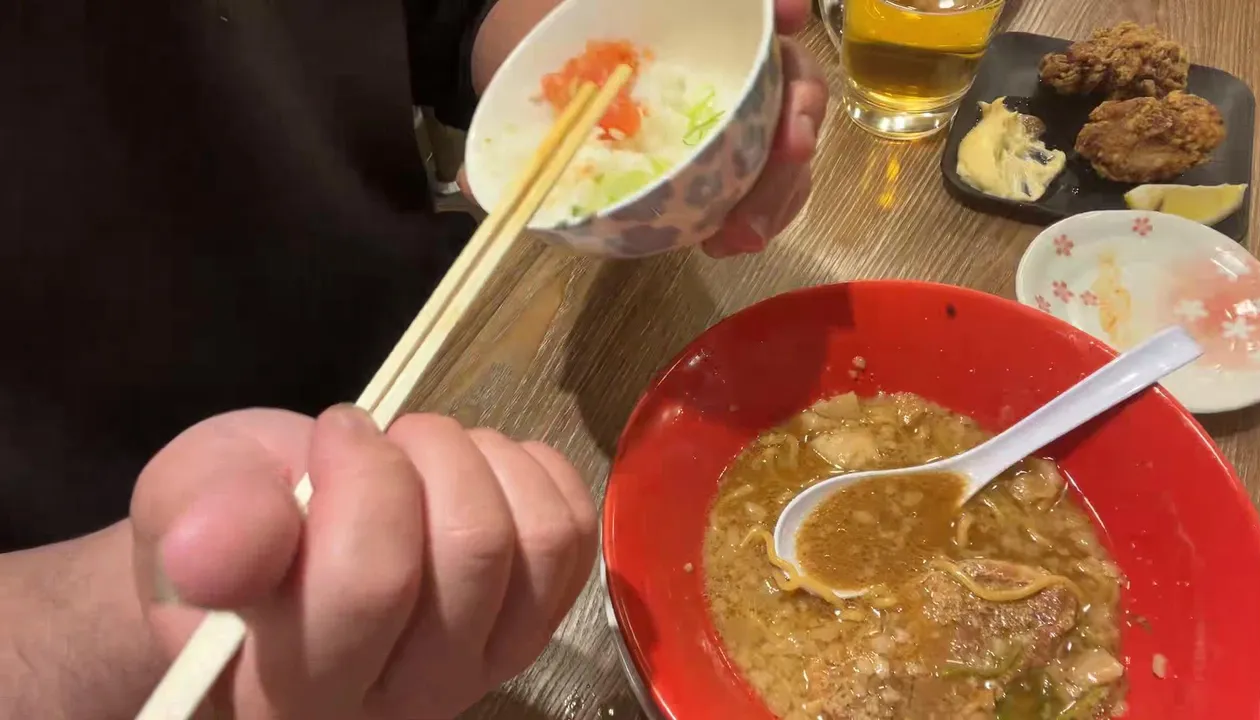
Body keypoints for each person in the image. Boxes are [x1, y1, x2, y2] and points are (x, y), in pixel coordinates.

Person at [0, 0, 829, 716]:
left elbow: (442, 15)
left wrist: (600, 41)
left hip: (446, 345)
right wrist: (112, 625)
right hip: (127, 585)